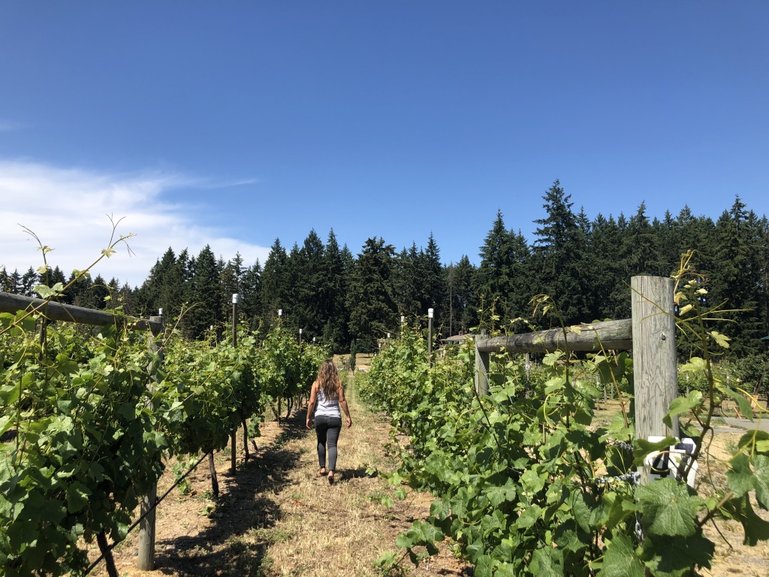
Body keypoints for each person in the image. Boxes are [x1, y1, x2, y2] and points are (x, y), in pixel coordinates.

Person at [305, 359, 352, 484]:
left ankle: (322, 468)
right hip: (334, 418)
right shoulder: (338, 384)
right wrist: (348, 416)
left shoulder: (316, 384)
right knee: (332, 445)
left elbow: (312, 402)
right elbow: (342, 401)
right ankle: (331, 471)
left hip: (320, 417)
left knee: (321, 441)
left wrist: (308, 417)